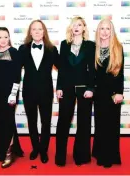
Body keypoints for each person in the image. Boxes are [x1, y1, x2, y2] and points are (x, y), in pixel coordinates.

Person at [55, 16, 95, 167]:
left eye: (79, 25)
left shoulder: (91, 45)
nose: (76, 27)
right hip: (66, 87)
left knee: (84, 122)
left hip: (84, 88)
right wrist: (59, 87)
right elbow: (62, 69)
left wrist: (91, 88)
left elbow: (92, 69)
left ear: (84, 28)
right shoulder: (65, 44)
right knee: (63, 121)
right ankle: (60, 157)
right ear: (71, 28)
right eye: (74, 25)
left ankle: (81, 156)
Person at [18, 20, 59, 163]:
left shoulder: (52, 49)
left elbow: (64, 68)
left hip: (46, 92)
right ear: (30, 32)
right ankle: (35, 148)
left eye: (40, 29)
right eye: (34, 29)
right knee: (32, 121)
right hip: (28, 92)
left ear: (44, 32)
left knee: (46, 122)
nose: (36, 31)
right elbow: (14, 69)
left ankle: (44, 150)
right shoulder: (22, 49)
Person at [92, 19, 124, 168]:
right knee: (100, 125)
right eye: (102, 28)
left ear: (112, 31)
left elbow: (120, 73)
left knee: (111, 125)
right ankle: (99, 152)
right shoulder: (94, 48)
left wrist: (119, 92)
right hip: (98, 94)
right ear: (98, 31)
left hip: (112, 94)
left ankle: (109, 157)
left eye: (108, 29)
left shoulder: (118, 47)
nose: (105, 32)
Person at [0, 27, 24, 168]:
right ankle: (5, 149)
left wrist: (13, 93)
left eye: (5, 37)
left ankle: (9, 152)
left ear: (9, 37)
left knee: (8, 121)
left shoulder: (14, 52)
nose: (3, 40)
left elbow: (17, 75)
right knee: (0, 120)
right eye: (0, 37)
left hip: (10, 92)